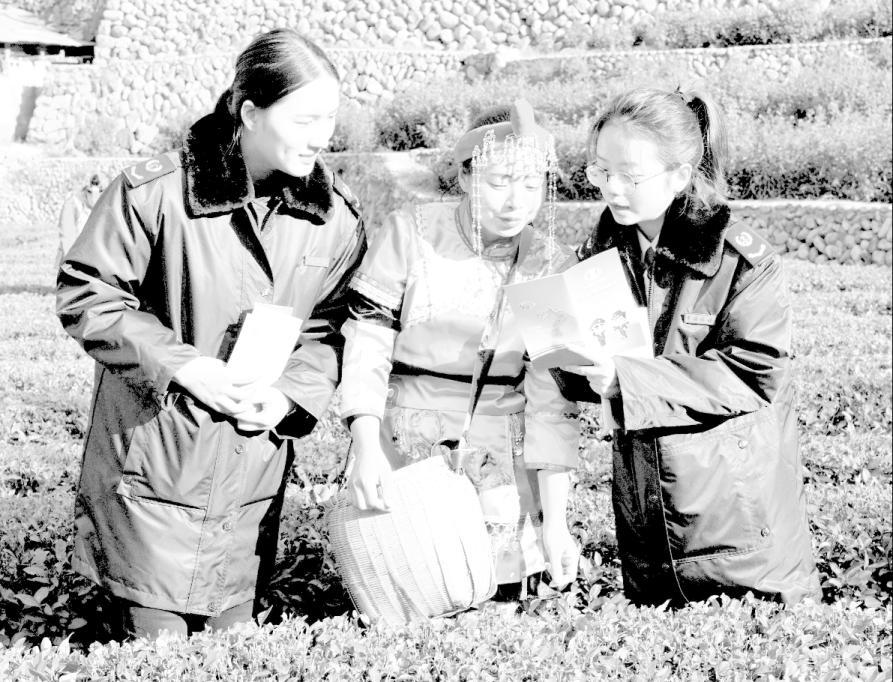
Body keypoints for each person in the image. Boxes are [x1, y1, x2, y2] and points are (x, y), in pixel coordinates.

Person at [56, 29, 366, 639]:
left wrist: (288, 397)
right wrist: (185, 367)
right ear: (249, 112)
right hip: (152, 473)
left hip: (250, 482)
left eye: (329, 118)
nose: (320, 137)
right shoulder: (157, 194)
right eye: (304, 119)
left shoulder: (334, 219)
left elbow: (332, 326)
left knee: (233, 653)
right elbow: (89, 294)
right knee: (158, 656)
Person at [559, 87, 820, 605]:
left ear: (679, 175)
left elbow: (755, 373)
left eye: (630, 175)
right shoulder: (598, 257)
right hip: (647, 526)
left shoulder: (740, 262)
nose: (612, 188)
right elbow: (587, 380)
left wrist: (627, 379)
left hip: (741, 532)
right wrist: (559, 349)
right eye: (600, 171)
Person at [339, 100, 581, 600]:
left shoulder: (546, 262)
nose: (515, 202)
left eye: (531, 185)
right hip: (401, 443)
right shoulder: (411, 233)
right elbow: (368, 342)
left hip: (502, 460)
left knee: (499, 605)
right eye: (499, 182)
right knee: (404, 595)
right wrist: (365, 447)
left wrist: (556, 522)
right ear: (467, 176)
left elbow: (551, 402)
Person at [56, 173, 103, 270]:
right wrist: (70, 258)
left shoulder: (106, 201)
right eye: (90, 191)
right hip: (76, 254)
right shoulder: (73, 202)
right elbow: (66, 233)